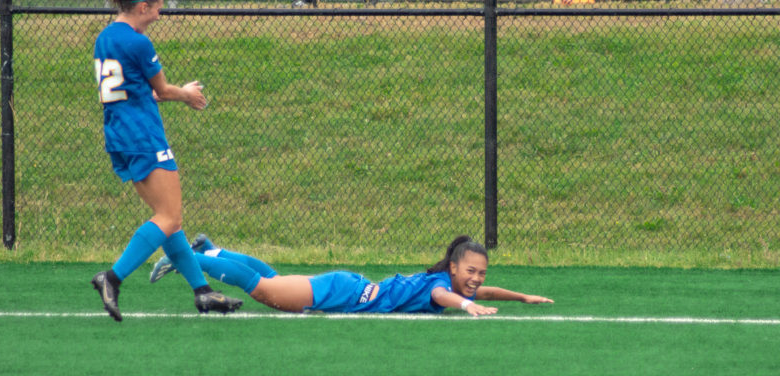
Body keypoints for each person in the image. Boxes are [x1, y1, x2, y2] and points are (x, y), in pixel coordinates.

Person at [91, 0, 242, 322]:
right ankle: (113, 277)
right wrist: (187, 93)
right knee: (170, 217)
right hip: (143, 136)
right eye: (158, 4)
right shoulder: (138, 41)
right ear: (142, 6)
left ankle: (203, 293)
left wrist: (168, 93)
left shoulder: (105, 37)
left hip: (119, 135)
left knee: (168, 220)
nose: (162, 9)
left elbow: (136, 91)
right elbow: (161, 89)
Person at [150, 235, 554, 316]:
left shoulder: (448, 281)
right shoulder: (441, 287)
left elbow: (484, 293)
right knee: (264, 289)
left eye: (481, 274)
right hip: (339, 293)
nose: (477, 280)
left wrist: (522, 298)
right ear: (453, 268)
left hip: (347, 287)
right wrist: (466, 304)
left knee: (272, 279)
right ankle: (191, 257)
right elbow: (447, 299)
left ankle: (212, 250)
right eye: (471, 272)